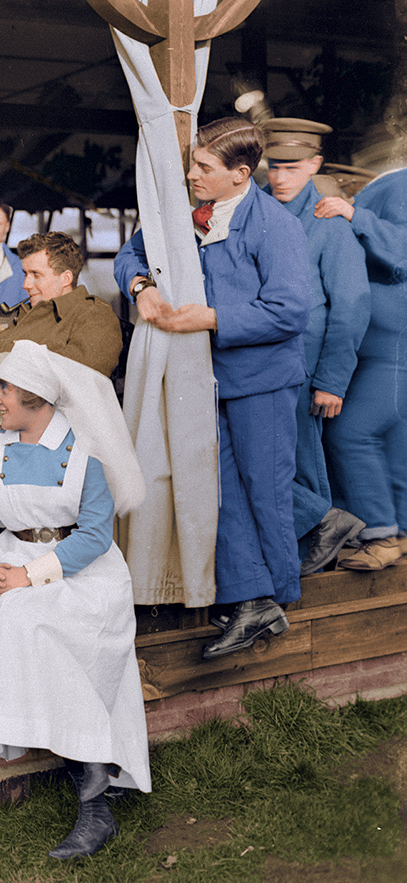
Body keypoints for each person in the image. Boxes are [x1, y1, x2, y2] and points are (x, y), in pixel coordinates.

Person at [0, 340, 150, 859]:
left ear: (34, 396)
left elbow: (96, 535)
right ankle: (95, 792)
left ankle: (94, 798)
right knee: (17, 619)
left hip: (84, 571)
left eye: (5, 389)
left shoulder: (85, 451)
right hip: (9, 563)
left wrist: (29, 576)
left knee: (42, 624)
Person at [115, 116, 311, 661]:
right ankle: (251, 598)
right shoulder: (184, 213)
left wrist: (213, 318)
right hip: (203, 381)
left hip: (260, 382)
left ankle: (277, 598)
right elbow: (133, 252)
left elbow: (290, 310)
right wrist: (141, 286)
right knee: (217, 489)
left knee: (264, 490)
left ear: (239, 174)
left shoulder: (275, 226)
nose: (191, 174)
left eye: (203, 166)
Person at [261, 118, 370, 574]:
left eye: (292, 167)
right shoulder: (257, 212)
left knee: (302, 463)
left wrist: (331, 380)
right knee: (273, 460)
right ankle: (318, 539)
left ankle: (314, 552)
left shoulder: (329, 220)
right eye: (273, 167)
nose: (281, 177)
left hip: (306, 366)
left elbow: (352, 305)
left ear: (314, 165)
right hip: (259, 362)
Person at [316, 168, 407, 570]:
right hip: (384, 350)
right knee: (396, 447)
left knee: (349, 432)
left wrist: (357, 216)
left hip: (393, 352)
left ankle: (384, 535)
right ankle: (400, 533)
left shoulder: (400, 182)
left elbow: (403, 247)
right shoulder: (392, 181)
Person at [0, 231, 122, 377]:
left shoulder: (94, 316)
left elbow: (75, 376)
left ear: (66, 278)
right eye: (25, 274)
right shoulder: (26, 314)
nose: (26, 285)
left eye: (36, 275)